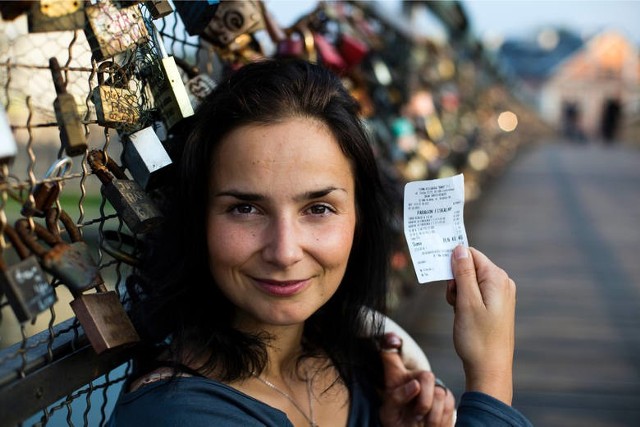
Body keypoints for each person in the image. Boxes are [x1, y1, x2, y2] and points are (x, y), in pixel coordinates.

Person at [108, 59, 531, 426]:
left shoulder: (360, 366)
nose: (285, 251)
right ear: (198, 219)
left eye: (319, 208)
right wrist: (491, 378)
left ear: (359, 219)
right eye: (244, 208)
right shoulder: (175, 416)